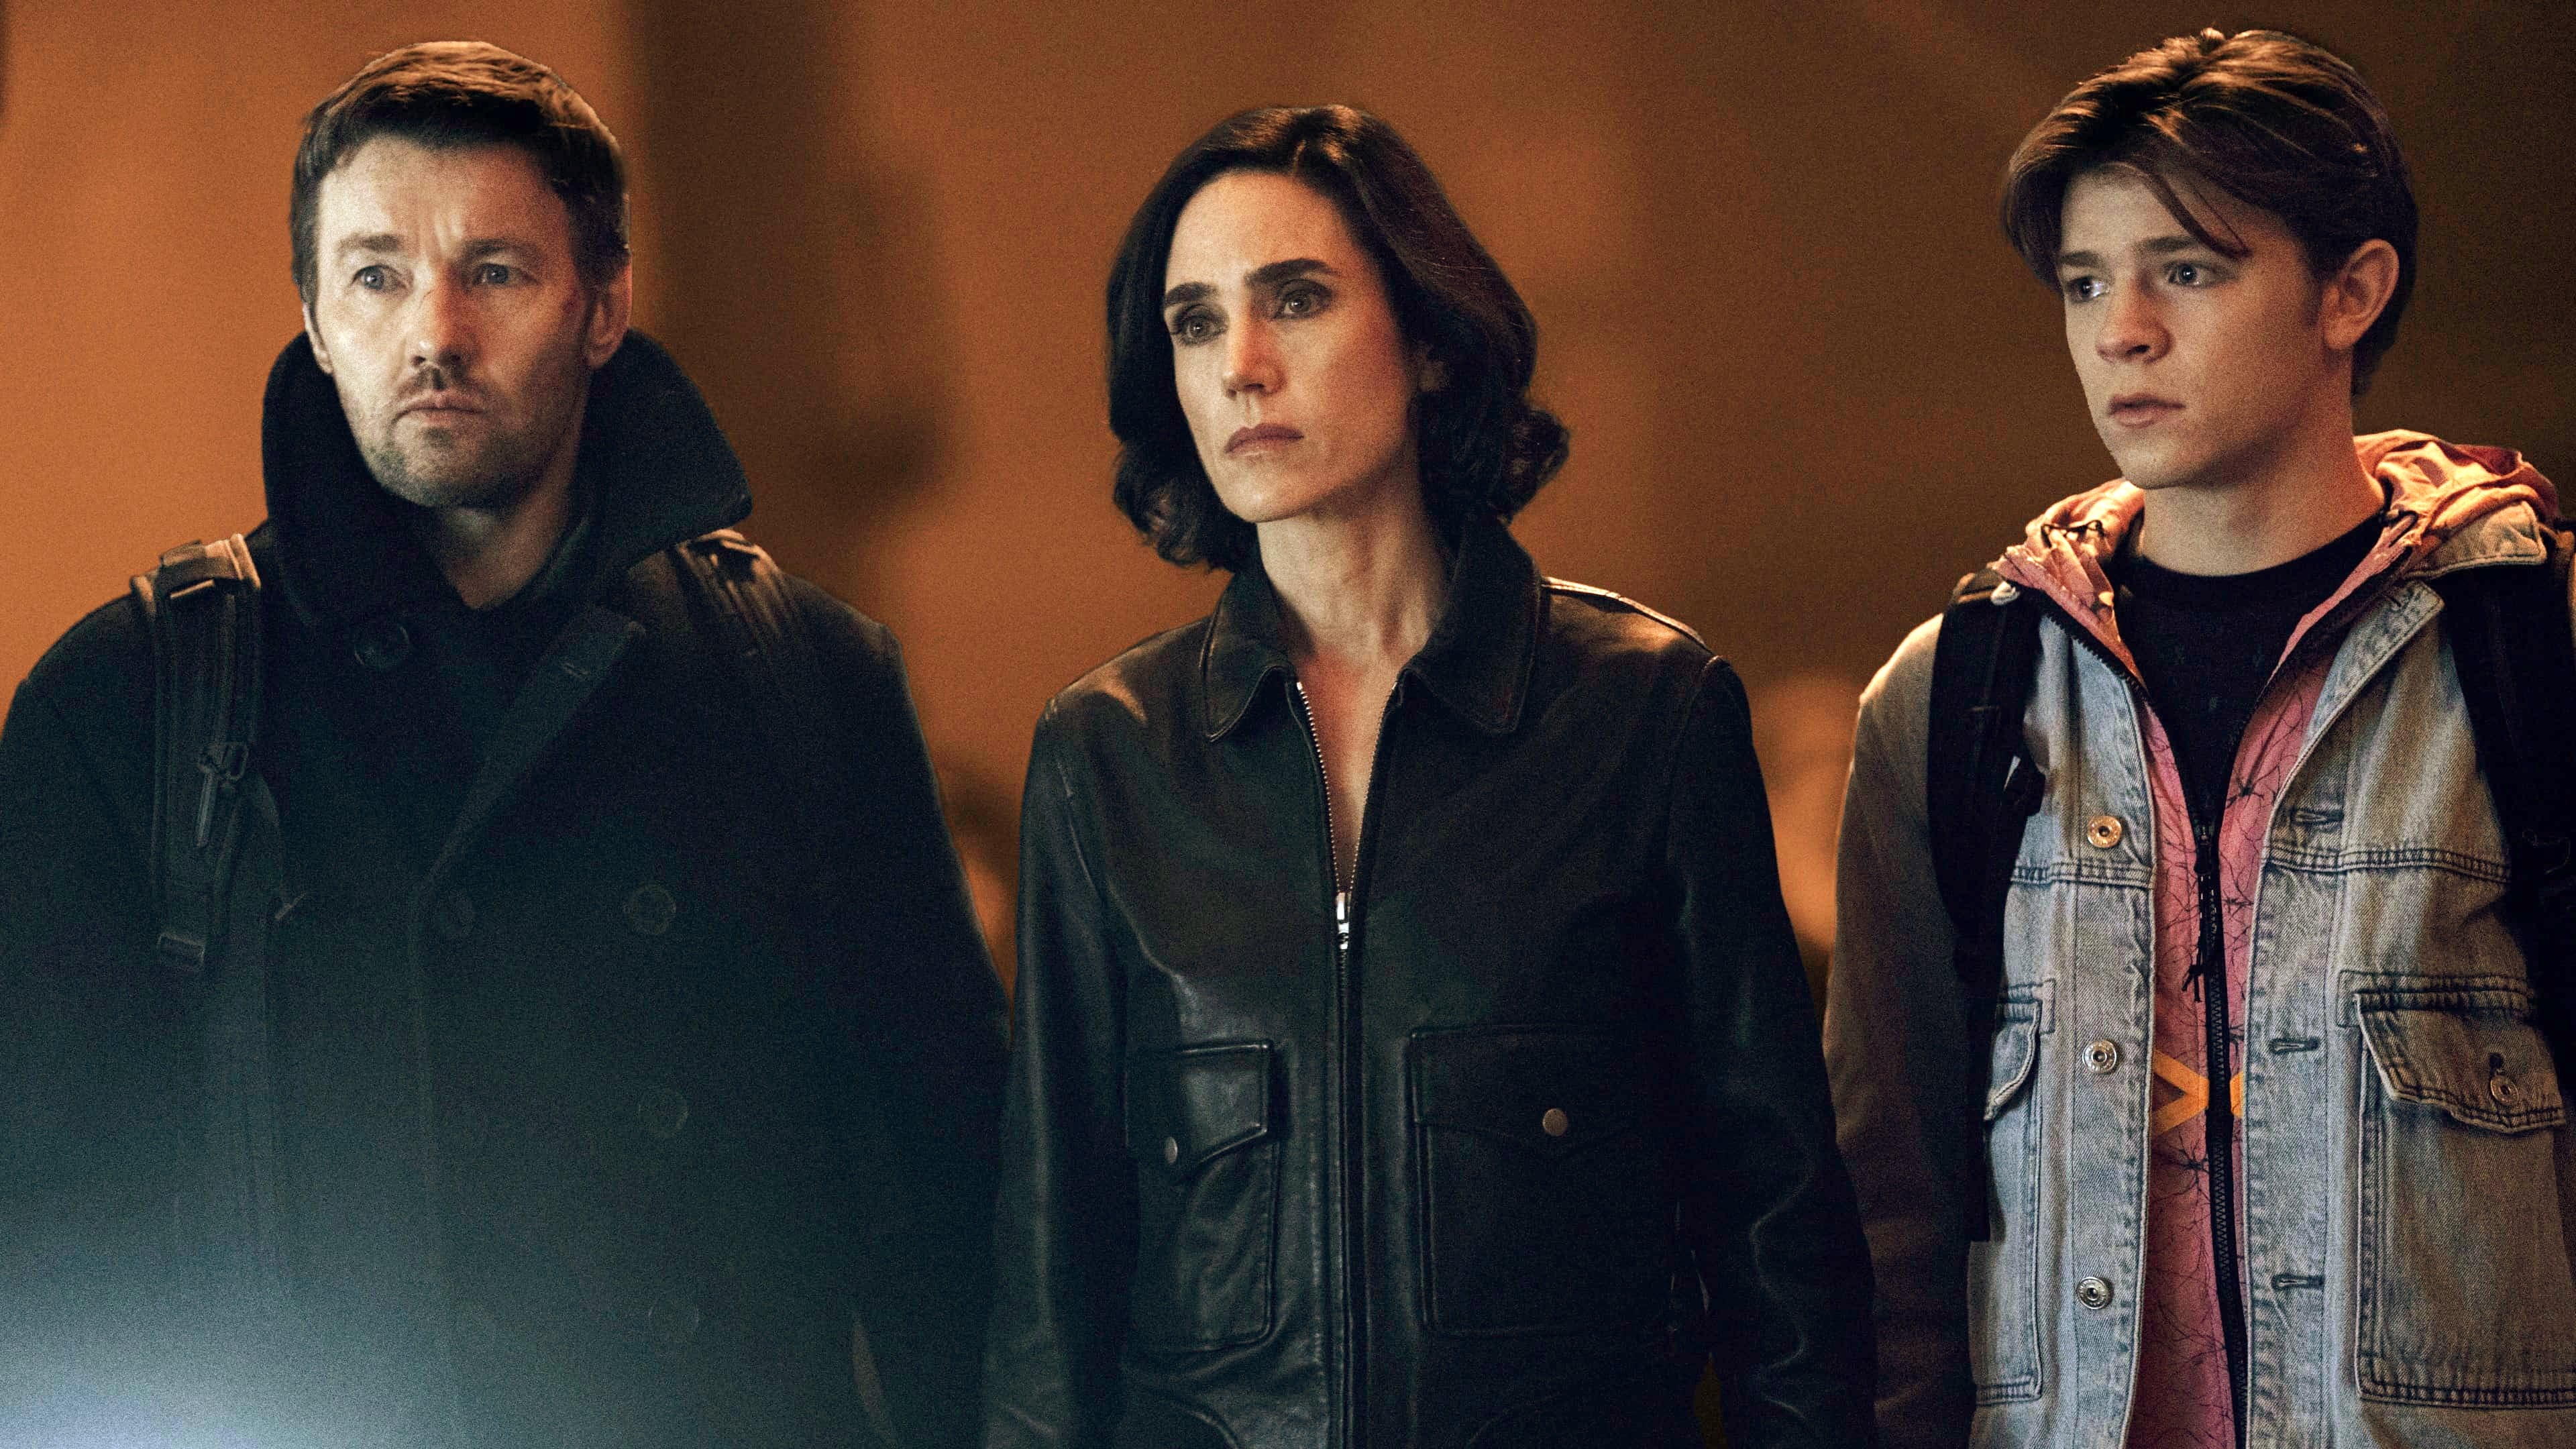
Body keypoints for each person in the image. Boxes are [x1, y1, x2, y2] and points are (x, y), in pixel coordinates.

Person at [0, 42, 1004, 1448]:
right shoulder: (135, 701)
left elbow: (952, 1227)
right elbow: (48, 1260)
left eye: (496, 271)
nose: (436, 332)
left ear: (605, 306)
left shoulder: (804, 677)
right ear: (313, 316)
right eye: (376, 275)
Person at [981, 104, 1874, 1449]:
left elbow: (1782, 1241)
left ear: (1434, 341)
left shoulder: (1645, 712)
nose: (1243, 366)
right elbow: (1050, 1288)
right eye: (1196, 323)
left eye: (1296, 300)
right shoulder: (1107, 752)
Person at [1827, 28, 2576, 1449]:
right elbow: (1890, 1211)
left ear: (2352, 290)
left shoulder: (2531, 653)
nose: (2122, 331)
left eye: (2186, 270)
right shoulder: (1953, 696)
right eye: (2085, 283)